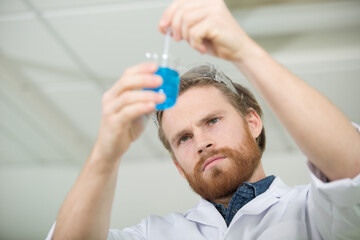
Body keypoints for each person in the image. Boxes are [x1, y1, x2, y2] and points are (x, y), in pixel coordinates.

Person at [46, 0, 360, 239]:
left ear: (253, 122)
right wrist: (105, 153)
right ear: (177, 167)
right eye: (183, 138)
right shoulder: (154, 233)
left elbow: (353, 166)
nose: (201, 142)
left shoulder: (313, 213)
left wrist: (243, 51)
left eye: (212, 121)